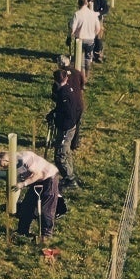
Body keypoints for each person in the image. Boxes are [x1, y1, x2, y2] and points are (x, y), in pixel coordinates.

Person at [0, 147, 62, 240]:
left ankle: (46, 235)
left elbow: (38, 174)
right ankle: (22, 230)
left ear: (7, 160)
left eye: (5, 166)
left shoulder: (25, 158)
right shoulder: (14, 165)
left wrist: (24, 184)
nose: (6, 168)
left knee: (46, 208)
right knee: (27, 205)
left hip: (49, 177)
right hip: (36, 180)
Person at [50, 56, 85, 188]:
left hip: (66, 127)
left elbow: (67, 113)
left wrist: (58, 118)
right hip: (68, 125)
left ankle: (70, 179)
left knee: (60, 155)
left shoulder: (64, 95)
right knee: (65, 151)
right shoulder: (66, 90)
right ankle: (70, 175)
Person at [69, 0, 102, 74]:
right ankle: (87, 72)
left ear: (78, 3)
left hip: (79, 40)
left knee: (78, 59)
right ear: (87, 3)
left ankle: (78, 74)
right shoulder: (93, 14)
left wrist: (70, 35)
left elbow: (72, 29)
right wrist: (93, 35)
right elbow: (98, 28)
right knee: (88, 57)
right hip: (90, 40)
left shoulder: (77, 14)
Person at [89, 0, 110, 64]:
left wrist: (98, 13)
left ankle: (98, 53)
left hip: (97, 19)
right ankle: (89, 54)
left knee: (98, 37)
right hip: (88, 20)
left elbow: (106, 9)